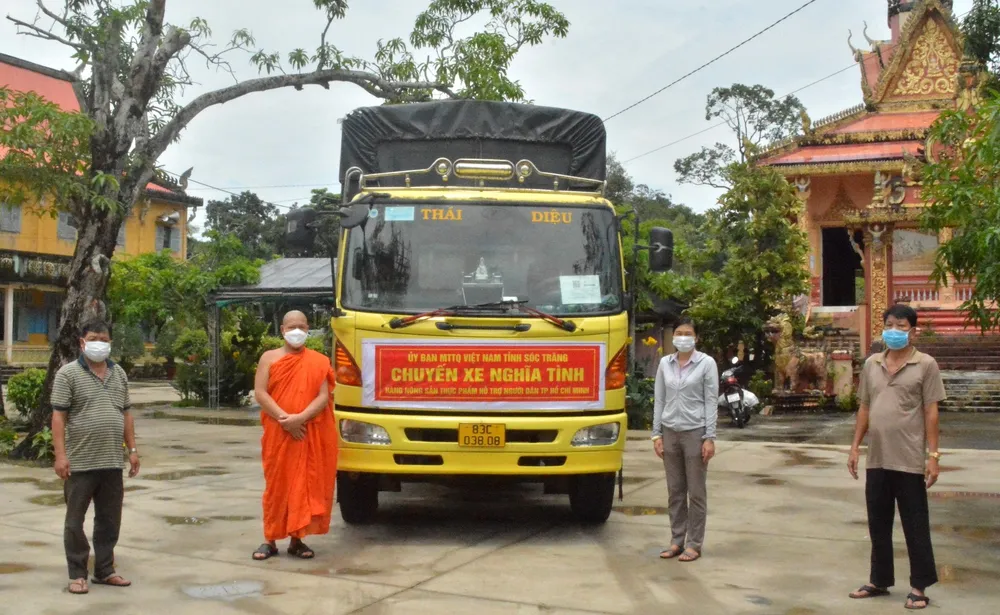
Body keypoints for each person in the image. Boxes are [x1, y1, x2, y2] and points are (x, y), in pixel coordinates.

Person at [847, 304, 945, 610]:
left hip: (909, 458)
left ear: (912, 331)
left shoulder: (925, 364)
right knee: (878, 523)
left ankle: (919, 586)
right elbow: (864, 407)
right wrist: (854, 447)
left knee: (915, 523)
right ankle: (879, 580)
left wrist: (933, 455)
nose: (894, 330)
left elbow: (931, 411)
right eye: (889, 324)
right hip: (877, 457)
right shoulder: (872, 364)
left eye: (900, 326)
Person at [50, 319, 140, 595]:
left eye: (103, 338)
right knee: (74, 521)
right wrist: (60, 455)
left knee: (109, 520)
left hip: (112, 461)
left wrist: (133, 450)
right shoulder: (67, 374)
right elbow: (58, 416)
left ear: (110, 342)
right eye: (93, 338)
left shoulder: (119, 374)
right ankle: (77, 574)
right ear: (82, 342)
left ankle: (105, 570)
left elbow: (126, 414)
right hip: (80, 463)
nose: (99, 343)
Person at [252, 311, 337, 561]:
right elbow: (260, 393)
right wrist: (285, 420)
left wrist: (300, 419)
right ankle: (270, 539)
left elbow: (324, 396)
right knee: (277, 485)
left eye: (301, 326)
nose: (296, 331)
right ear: (282, 330)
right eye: (292, 327)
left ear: (308, 329)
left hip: (305, 432)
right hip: (279, 433)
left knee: (302, 485)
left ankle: (296, 540)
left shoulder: (319, 361)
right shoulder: (269, 358)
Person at [652, 317, 719, 563]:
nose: (682, 337)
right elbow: (659, 399)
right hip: (670, 432)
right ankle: (676, 540)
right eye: (678, 332)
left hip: (695, 432)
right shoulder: (664, 364)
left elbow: (711, 400)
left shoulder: (706, 363)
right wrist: (656, 434)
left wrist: (709, 437)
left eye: (687, 333)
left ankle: (694, 544)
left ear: (696, 337)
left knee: (696, 491)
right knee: (675, 491)